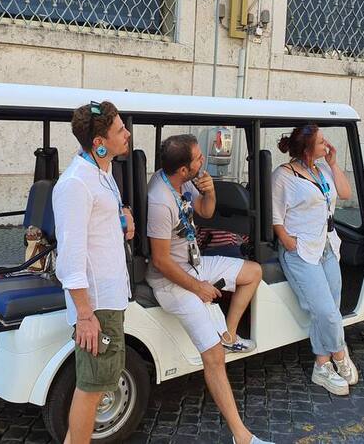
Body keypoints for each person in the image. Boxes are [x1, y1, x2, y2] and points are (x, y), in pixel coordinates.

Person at [146, 134, 271, 444]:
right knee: (213, 358)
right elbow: (161, 261)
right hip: (171, 282)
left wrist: (211, 192)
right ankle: (242, 436)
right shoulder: (160, 200)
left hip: (194, 264)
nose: (203, 160)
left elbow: (205, 212)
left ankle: (229, 334)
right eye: (198, 158)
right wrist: (198, 288)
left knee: (253, 271)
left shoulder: (181, 182)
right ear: (183, 169)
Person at [53, 101, 136, 443]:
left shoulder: (102, 171)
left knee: (98, 383)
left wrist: (123, 217)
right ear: (99, 142)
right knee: (91, 388)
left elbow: (99, 221)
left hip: (109, 299)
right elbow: (70, 259)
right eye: (120, 130)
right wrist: (85, 315)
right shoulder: (76, 183)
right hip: (96, 307)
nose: (127, 134)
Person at [271, 124, 358, 396]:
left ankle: (322, 364)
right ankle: (340, 355)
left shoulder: (322, 170)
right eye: (321, 142)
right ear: (307, 149)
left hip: (328, 246)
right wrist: (288, 241)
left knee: (332, 307)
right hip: (301, 251)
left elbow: (345, 193)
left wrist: (333, 163)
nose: (326, 144)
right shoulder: (284, 175)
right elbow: (275, 215)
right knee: (326, 312)